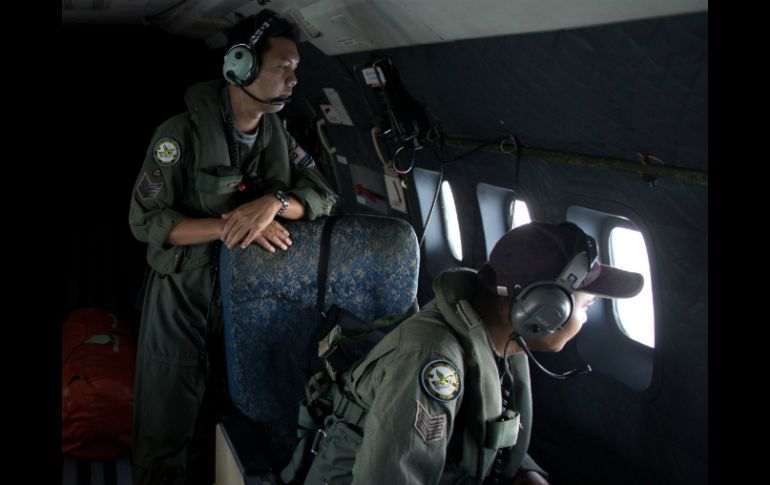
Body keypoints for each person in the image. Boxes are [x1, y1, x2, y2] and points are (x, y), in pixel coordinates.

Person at [128, 9, 337, 485]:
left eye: (296, 68)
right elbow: (147, 221)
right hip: (181, 296)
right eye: (283, 66)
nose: (293, 78)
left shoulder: (278, 136)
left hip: (248, 302)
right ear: (240, 66)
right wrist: (230, 226)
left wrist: (274, 203)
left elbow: (323, 195)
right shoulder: (178, 135)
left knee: (229, 423)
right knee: (165, 424)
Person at [297, 222, 643, 484]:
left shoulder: (499, 339)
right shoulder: (433, 365)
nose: (585, 317)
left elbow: (483, 428)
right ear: (543, 311)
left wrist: (527, 474)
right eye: (586, 305)